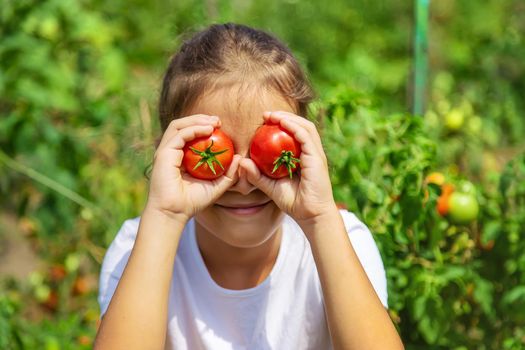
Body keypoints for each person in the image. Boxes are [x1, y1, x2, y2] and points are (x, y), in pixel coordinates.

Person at [94, 23, 404, 350]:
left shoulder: (342, 242)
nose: (244, 181)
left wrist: (319, 218)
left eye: (270, 152)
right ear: (169, 157)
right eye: (213, 152)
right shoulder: (137, 249)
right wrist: (165, 215)